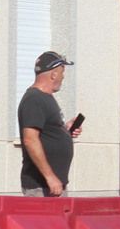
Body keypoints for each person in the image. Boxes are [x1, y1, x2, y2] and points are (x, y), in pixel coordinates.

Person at [18, 50, 81, 196]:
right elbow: (30, 139)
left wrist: (66, 131)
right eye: (62, 72)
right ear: (53, 74)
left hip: (53, 186)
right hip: (41, 187)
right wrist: (50, 177)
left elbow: (47, 133)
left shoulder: (46, 98)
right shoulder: (34, 99)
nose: (63, 77)